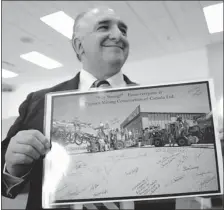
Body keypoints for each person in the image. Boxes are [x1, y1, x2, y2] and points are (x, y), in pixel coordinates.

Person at [2, 6, 177, 210]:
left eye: (123, 30)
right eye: (104, 27)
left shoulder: (157, 103)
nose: (118, 35)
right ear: (79, 45)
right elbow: (5, 172)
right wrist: (12, 167)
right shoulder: (38, 101)